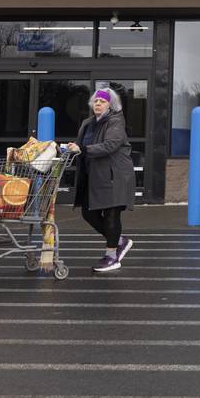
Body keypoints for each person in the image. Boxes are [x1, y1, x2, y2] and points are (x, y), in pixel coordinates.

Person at [66, 87, 136, 273]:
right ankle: (120, 241)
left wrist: (83, 149)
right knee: (88, 213)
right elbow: (81, 145)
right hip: (94, 175)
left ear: (110, 105)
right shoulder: (88, 123)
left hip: (115, 175)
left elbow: (111, 145)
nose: (98, 103)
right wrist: (69, 148)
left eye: (103, 101)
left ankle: (112, 257)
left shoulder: (115, 121)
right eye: (96, 101)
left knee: (112, 214)